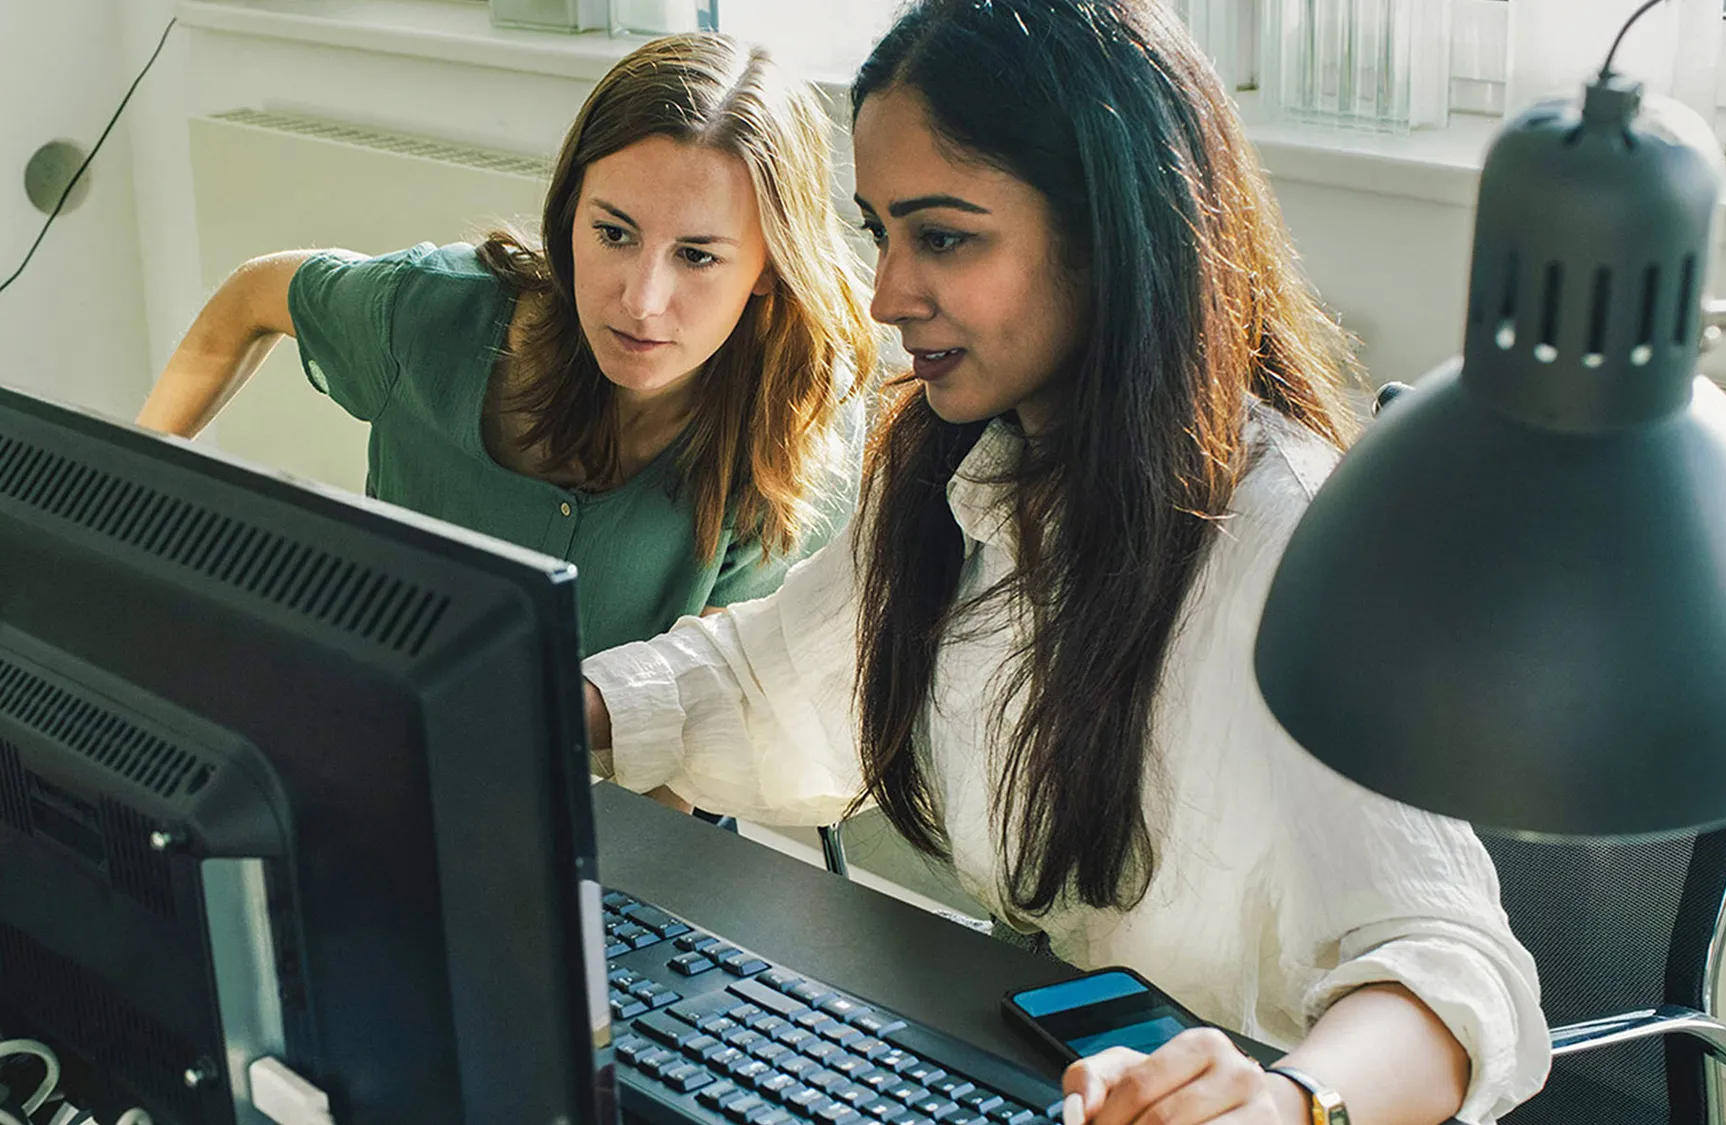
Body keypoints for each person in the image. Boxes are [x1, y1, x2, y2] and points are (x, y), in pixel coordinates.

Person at [582, 1, 1549, 1123]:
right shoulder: (959, 463)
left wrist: (1292, 1106)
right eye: (879, 231)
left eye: (942, 236)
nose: (889, 292)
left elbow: (1453, 965)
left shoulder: (1283, 536)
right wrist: (543, 703)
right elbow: (766, 678)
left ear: (1110, 232)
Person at [137, 33, 878, 659]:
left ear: (769, 269)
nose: (641, 300)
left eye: (697, 256)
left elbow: (692, 729)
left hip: (622, 800)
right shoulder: (430, 312)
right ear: (569, 215)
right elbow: (250, 297)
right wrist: (129, 491)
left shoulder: (801, 431)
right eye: (613, 234)